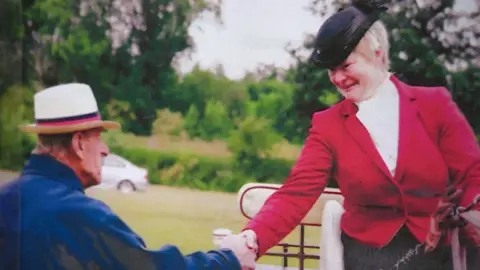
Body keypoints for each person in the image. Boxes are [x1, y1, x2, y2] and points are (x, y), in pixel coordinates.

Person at [220, 1, 480, 270]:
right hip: (373, 254)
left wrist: (473, 214)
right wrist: (252, 239)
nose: (338, 78)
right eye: (331, 70)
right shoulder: (327, 125)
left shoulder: (435, 105)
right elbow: (296, 192)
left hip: (446, 249)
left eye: (345, 65)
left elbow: (473, 175)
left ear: (377, 54)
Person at [0, 83, 255, 270]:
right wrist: (228, 258)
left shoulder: (6, 199)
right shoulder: (82, 214)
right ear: (78, 143)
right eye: (98, 137)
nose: (105, 150)